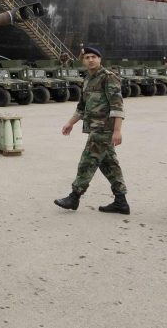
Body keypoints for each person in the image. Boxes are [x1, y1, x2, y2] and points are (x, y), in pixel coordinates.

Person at [54, 46, 129, 215]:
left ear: (100, 59)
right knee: (109, 164)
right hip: (94, 127)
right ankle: (121, 202)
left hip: (104, 129)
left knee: (87, 161)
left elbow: (118, 106)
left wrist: (117, 131)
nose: (90, 60)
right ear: (83, 61)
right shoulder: (87, 79)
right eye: (87, 57)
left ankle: (74, 197)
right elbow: (82, 107)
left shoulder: (109, 77)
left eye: (93, 56)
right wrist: (70, 123)